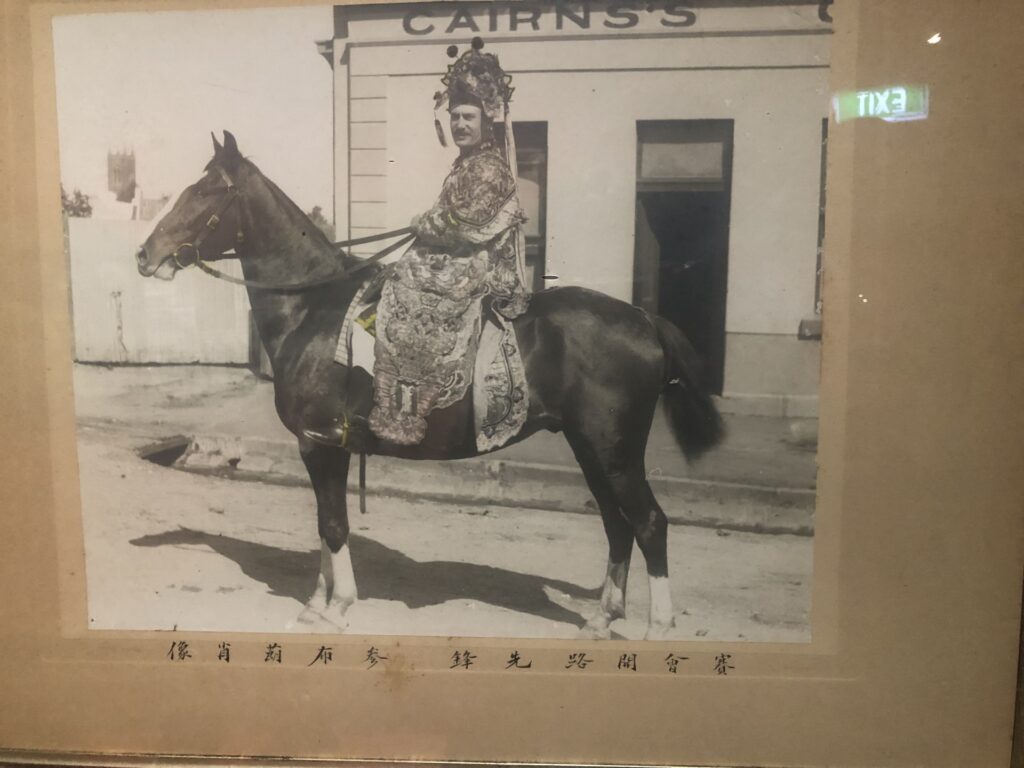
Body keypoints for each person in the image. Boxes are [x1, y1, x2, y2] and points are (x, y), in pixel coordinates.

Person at [307, 38, 530, 449]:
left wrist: (425, 222)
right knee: (379, 290)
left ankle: (409, 414)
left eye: (468, 117)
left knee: (408, 302)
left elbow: (468, 223)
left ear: (486, 120)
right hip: (451, 259)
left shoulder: (490, 167)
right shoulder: (466, 163)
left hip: (476, 265)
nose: (460, 124)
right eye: (455, 117)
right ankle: (363, 408)